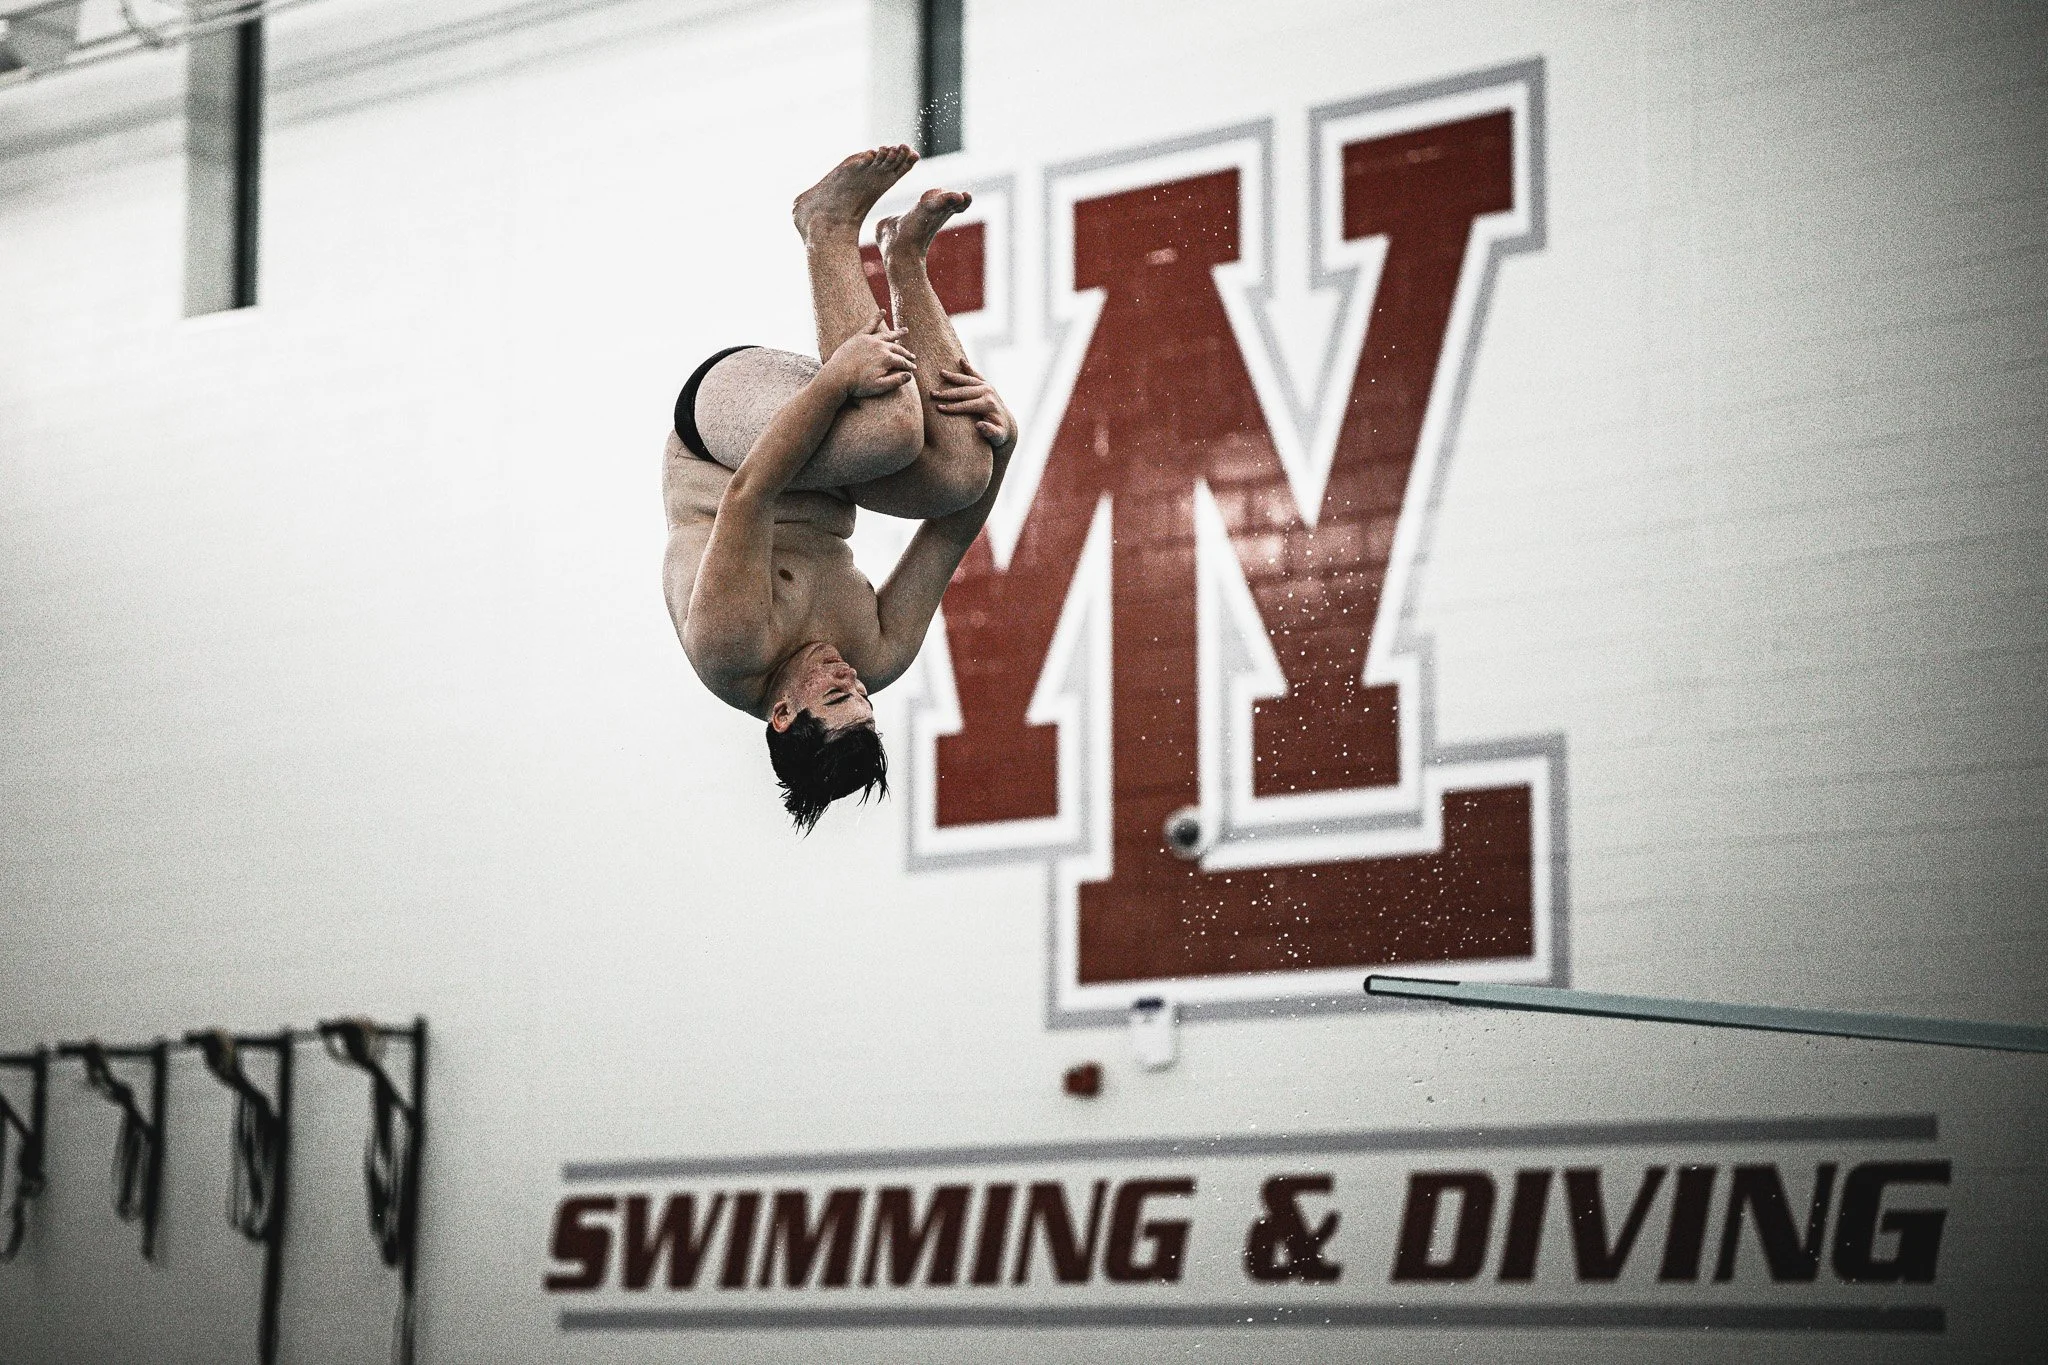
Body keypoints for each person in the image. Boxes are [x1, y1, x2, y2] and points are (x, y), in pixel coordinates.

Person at [662, 145, 1018, 833]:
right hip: (827, 472)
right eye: (862, 698)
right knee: (961, 470)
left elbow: (751, 493)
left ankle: (824, 226)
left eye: (833, 696)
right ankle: (905, 257)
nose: (850, 677)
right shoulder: (878, 654)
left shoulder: (731, 648)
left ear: (783, 713)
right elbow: (952, 531)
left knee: (890, 430)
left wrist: (834, 382)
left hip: (721, 442)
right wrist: (1005, 442)